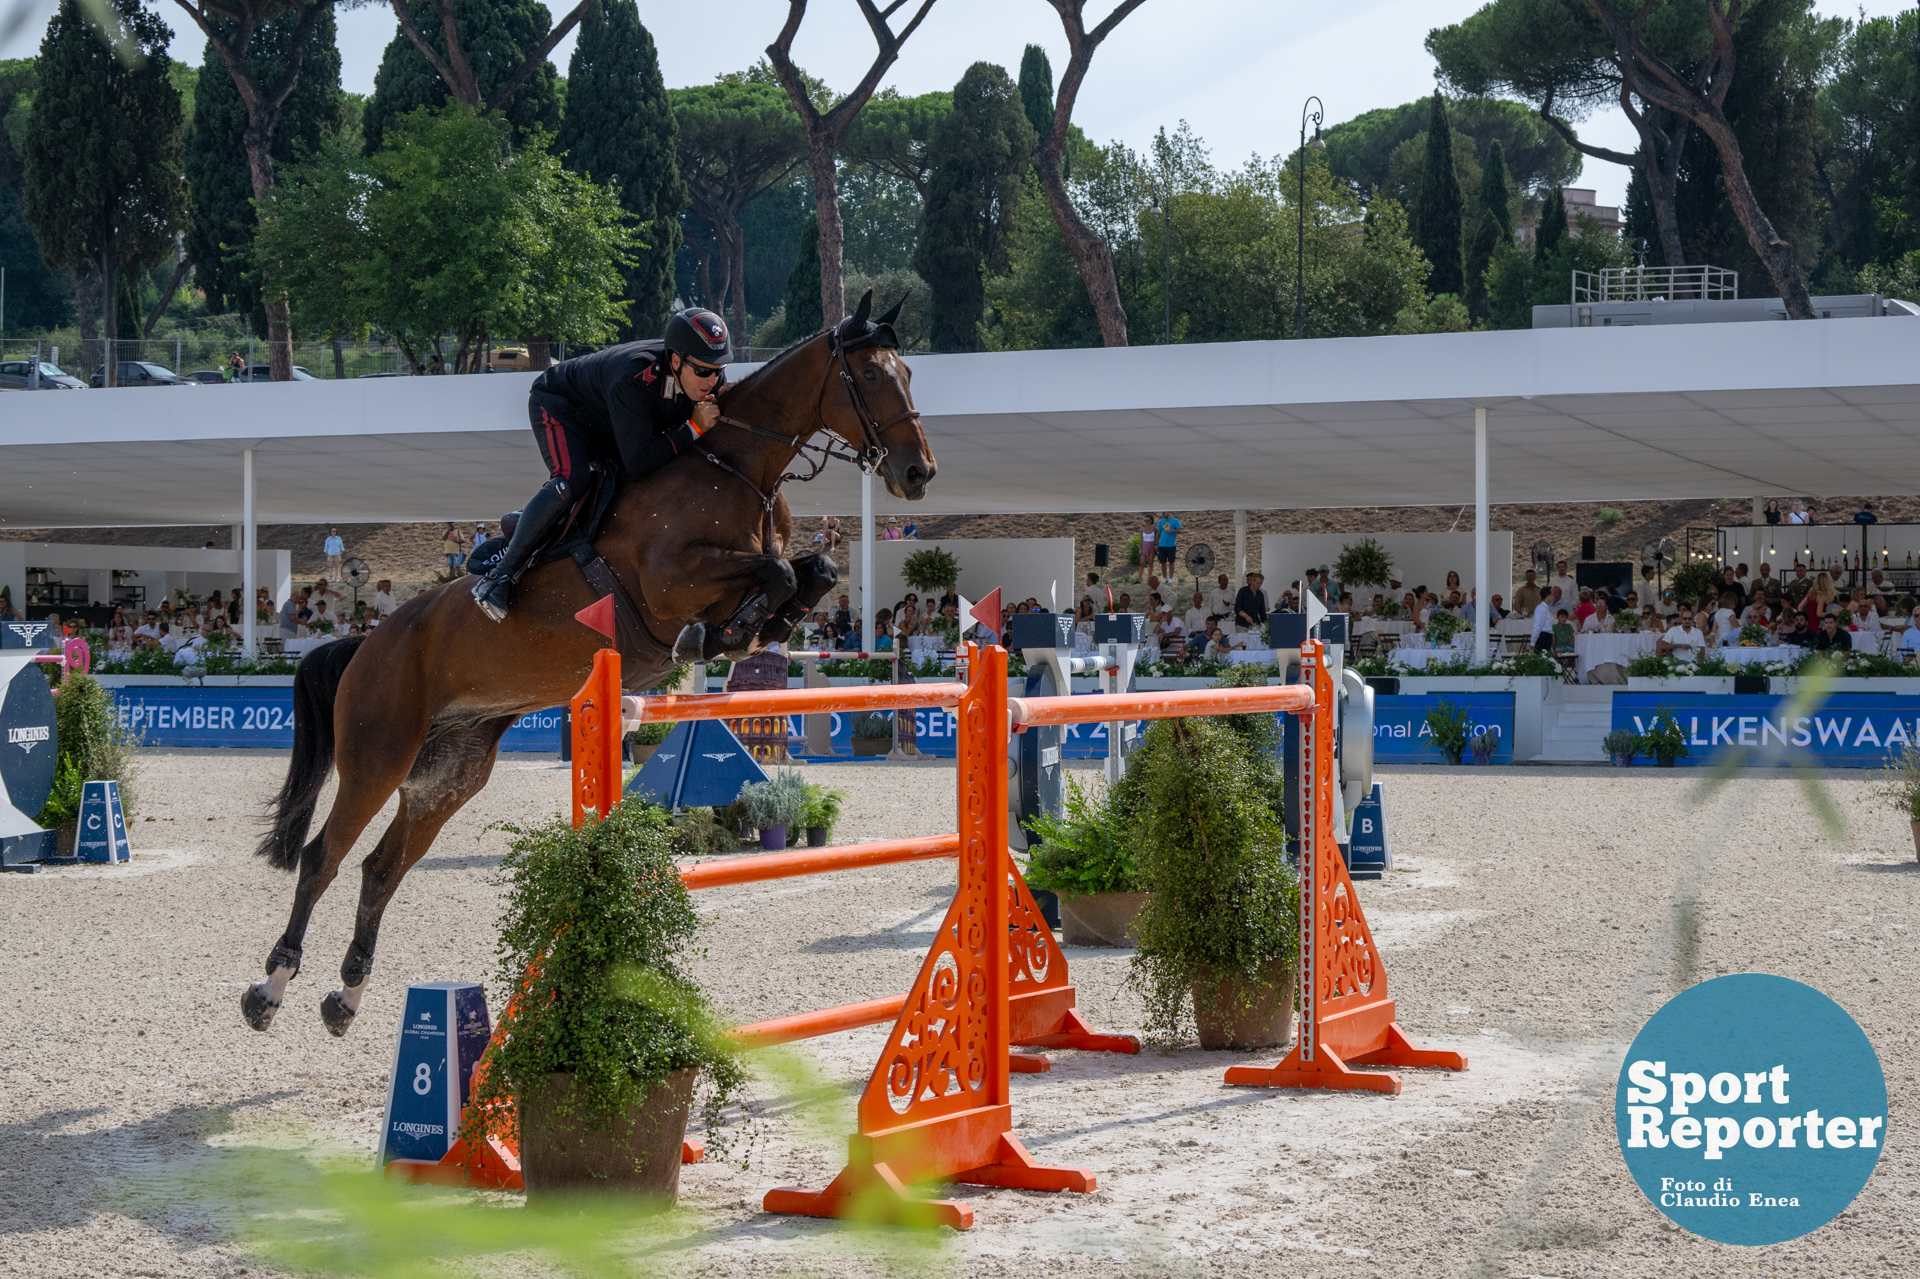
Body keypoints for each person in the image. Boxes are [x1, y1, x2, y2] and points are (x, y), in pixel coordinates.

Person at [470, 307, 739, 629]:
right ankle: (499, 578)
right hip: (559, 405)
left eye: (718, 370)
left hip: (608, 416)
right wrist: (694, 428)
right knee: (572, 479)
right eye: (703, 371)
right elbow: (639, 461)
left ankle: (530, 526)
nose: (712, 380)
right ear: (676, 360)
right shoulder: (634, 377)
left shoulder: (698, 371)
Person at [1531, 586, 1561, 652]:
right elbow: (1538, 626)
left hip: (1546, 636)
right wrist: (1533, 642)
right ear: (1548, 596)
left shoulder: (1544, 608)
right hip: (1543, 637)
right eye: (1552, 594)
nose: (1554, 596)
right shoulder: (1541, 609)